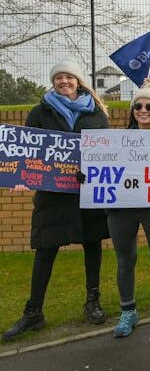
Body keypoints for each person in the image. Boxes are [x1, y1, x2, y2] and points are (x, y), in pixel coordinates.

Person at [3, 60, 110, 341]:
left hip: (86, 192)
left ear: (78, 81)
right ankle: (34, 311)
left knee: (93, 244)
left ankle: (93, 301)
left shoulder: (97, 113)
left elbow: (109, 150)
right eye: (59, 77)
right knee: (45, 249)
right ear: (53, 82)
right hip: (52, 195)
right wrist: (21, 178)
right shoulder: (40, 112)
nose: (64, 81)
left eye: (69, 77)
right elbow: (28, 150)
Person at [105, 81, 150, 338]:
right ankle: (128, 312)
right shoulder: (115, 141)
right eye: (138, 105)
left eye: (149, 106)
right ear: (132, 109)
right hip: (121, 208)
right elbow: (101, 168)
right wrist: (88, 178)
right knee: (125, 261)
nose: (143, 110)